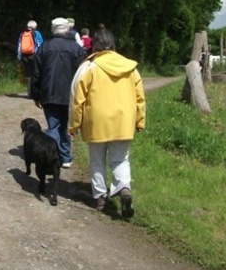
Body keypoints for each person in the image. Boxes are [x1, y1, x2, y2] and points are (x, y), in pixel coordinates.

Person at [69, 27, 145, 218]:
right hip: (123, 122)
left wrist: (74, 126)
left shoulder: (89, 67)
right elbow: (140, 98)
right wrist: (140, 121)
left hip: (97, 122)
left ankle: (101, 197)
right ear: (114, 45)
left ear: (94, 45)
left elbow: (77, 99)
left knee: (97, 161)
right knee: (120, 159)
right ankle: (124, 188)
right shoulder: (131, 68)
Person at [29, 17, 86, 168]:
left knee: (53, 127)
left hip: (48, 93)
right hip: (70, 94)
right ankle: (65, 157)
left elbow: (36, 73)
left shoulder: (44, 47)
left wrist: (35, 94)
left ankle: (49, 156)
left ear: (52, 30)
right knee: (65, 126)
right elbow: (84, 73)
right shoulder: (76, 48)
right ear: (68, 30)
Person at [16, 20, 44, 96]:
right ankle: (35, 92)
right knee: (36, 73)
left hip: (25, 56)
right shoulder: (36, 33)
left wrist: (19, 57)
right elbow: (40, 45)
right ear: (35, 26)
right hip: (34, 56)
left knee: (28, 74)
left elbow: (19, 46)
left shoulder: (22, 34)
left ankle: (29, 93)